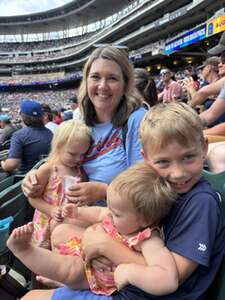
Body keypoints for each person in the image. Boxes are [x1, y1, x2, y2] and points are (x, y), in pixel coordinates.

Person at [10, 102, 225, 300]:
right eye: (163, 162)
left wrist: (105, 246)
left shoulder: (201, 202)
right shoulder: (158, 186)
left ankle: (62, 274)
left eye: (188, 157)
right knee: (61, 233)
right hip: (125, 284)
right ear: (145, 158)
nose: (177, 173)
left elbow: (172, 278)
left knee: (31, 297)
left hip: (138, 294)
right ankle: (64, 273)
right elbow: (109, 213)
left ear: (204, 148)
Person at [7, 162, 179, 296]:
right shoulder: (121, 216)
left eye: (116, 213)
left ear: (145, 220)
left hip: (97, 276)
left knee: (71, 269)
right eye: (110, 208)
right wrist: (78, 212)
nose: (109, 214)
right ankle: (60, 277)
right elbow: (98, 212)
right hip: (90, 255)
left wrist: (129, 271)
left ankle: (25, 250)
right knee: (61, 231)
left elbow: (168, 280)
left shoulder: (148, 239)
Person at [22, 45, 146, 207]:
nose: (102, 86)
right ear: (86, 81)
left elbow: (147, 186)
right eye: (95, 77)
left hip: (119, 218)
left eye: (112, 78)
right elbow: (57, 160)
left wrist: (104, 191)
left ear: (125, 85)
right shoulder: (80, 119)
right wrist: (33, 177)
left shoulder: (137, 120)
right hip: (77, 215)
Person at [28, 119, 91, 249]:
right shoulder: (48, 169)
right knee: (44, 256)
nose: (79, 159)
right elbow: (33, 198)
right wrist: (51, 210)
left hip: (67, 223)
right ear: (58, 146)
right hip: (45, 221)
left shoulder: (79, 170)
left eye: (82, 154)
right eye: (73, 154)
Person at [0, 100, 53, 176]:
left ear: (22, 116)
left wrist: (3, 164)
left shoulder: (19, 135)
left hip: (24, 178)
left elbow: (12, 165)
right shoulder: (50, 133)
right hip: (46, 175)